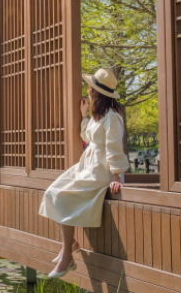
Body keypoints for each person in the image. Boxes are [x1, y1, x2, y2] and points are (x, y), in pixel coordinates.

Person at [39, 68, 129, 279]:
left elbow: (114, 146)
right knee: (52, 192)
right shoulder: (99, 115)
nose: (88, 90)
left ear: (97, 92)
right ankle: (70, 244)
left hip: (100, 169)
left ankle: (67, 255)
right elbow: (89, 136)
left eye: (91, 88)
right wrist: (83, 114)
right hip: (87, 164)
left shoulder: (113, 117)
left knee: (60, 196)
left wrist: (116, 176)